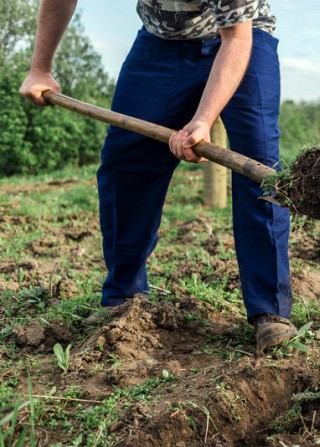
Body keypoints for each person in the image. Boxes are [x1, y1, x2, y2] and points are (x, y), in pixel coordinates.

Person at [19, 0, 296, 353]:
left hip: (244, 39)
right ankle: (124, 295)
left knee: (257, 166)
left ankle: (270, 310)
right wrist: (40, 67)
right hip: (160, 42)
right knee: (126, 159)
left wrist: (203, 119)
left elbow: (236, 40)